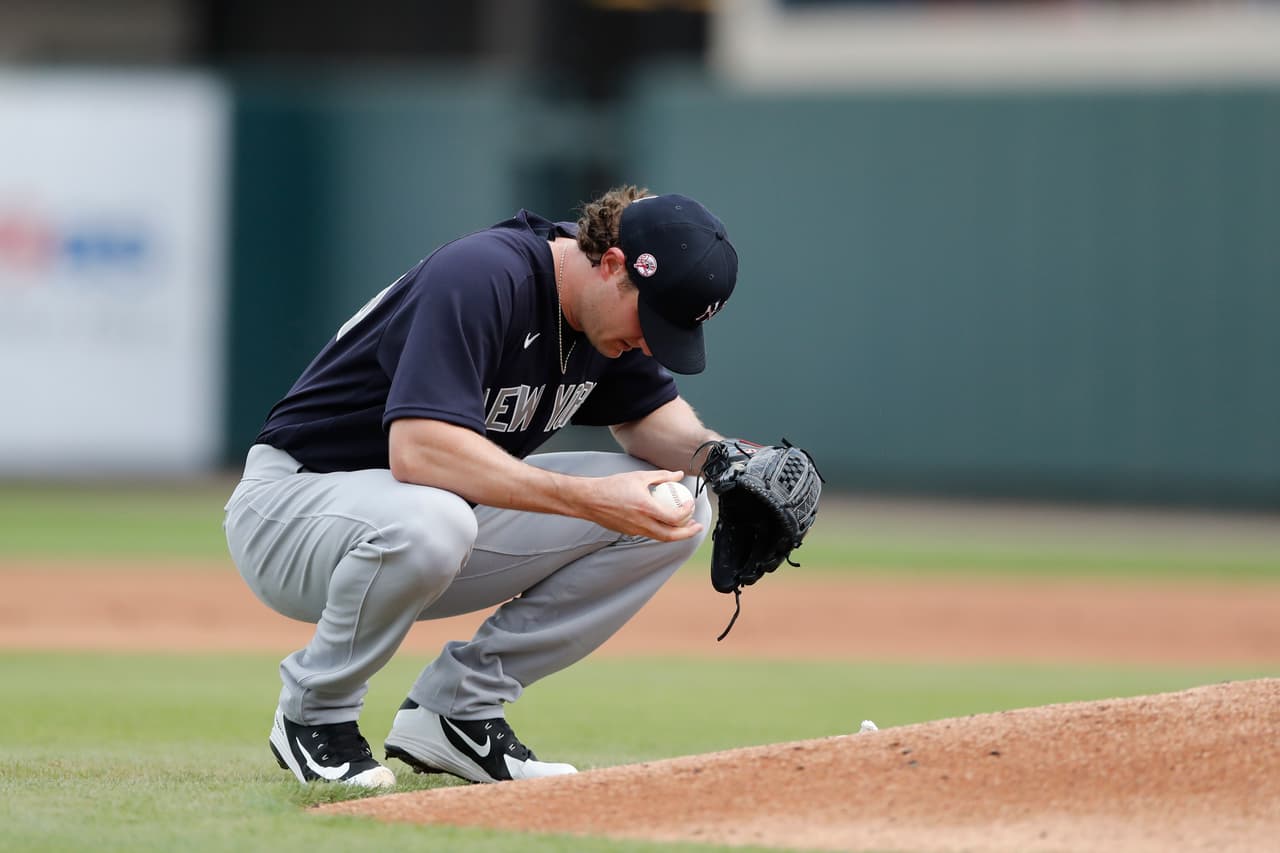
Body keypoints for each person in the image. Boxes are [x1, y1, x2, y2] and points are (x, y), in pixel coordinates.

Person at [223, 185, 738, 788]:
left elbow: (653, 422)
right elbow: (418, 451)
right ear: (613, 264)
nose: (652, 344)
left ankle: (458, 712)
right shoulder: (485, 275)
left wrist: (729, 463)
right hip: (293, 509)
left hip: (424, 519)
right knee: (435, 520)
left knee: (677, 508)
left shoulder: (605, 317)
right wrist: (591, 499)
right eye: (651, 322)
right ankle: (316, 715)